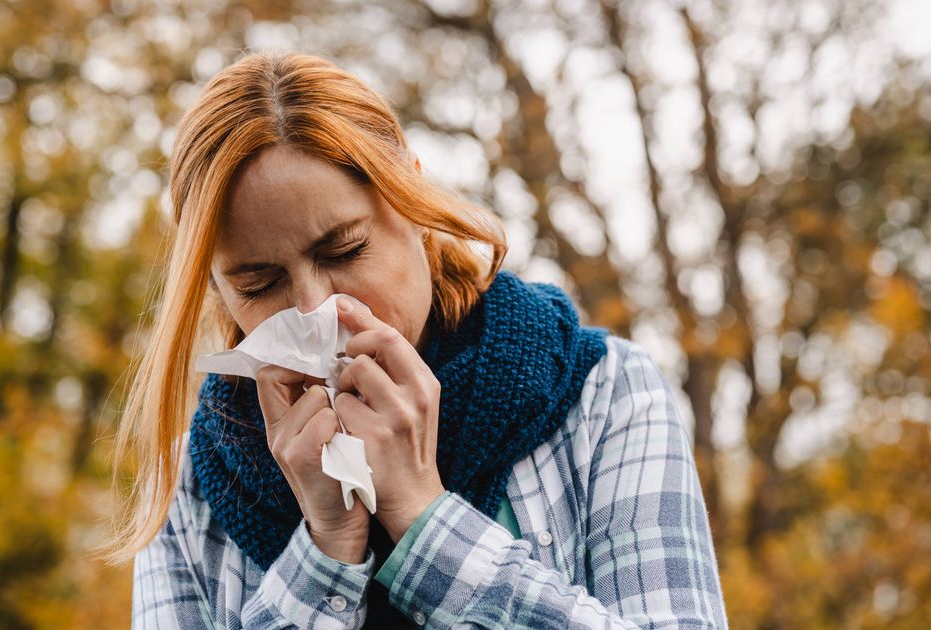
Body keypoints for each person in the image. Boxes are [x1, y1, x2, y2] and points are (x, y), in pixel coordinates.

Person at [101, 49, 729, 629]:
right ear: (217, 292)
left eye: (344, 249)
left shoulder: (603, 394)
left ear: (412, 199)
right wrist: (324, 546)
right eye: (260, 284)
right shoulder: (191, 482)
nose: (318, 309)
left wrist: (421, 517)